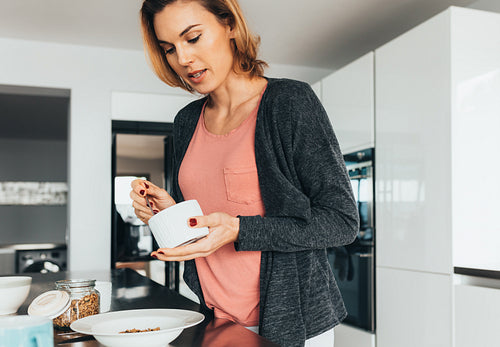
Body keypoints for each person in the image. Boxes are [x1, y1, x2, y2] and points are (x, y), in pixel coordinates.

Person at [130, 0, 359, 346]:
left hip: (289, 321)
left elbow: (341, 221)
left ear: (230, 25)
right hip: (214, 317)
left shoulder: (289, 102)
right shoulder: (186, 121)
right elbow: (208, 222)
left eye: (192, 38)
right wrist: (171, 212)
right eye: (169, 49)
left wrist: (239, 229)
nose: (183, 59)